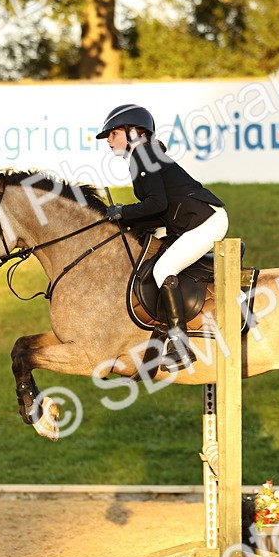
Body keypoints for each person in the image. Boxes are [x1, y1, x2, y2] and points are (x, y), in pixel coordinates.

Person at [98, 104, 228, 372]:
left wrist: (123, 212)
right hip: (189, 222)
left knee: (163, 269)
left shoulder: (144, 155)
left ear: (135, 133)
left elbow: (157, 204)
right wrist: (127, 222)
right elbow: (160, 210)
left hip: (206, 222)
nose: (109, 141)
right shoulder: (143, 156)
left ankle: (180, 346)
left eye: (113, 134)